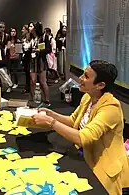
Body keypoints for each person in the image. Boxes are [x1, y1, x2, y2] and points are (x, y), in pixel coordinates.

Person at [31, 60, 129, 194]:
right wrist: (52, 115)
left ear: (100, 85)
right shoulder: (88, 98)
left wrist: (51, 123)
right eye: (83, 74)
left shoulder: (111, 108)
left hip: (104, 167)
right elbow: (73, 120)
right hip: (85, 155)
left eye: (87, 76)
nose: (81, 78)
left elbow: (83, 138)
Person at [28, 21, 51, 107]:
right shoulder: (31, 38)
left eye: (31, 26)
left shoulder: (44, 37)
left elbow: (49, 49)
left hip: (41, 61)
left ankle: (47, 100)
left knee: (42, 82)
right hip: (33, 61)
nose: (29, 28)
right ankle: (32, 99)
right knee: (32, 81)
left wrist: (39, 50)